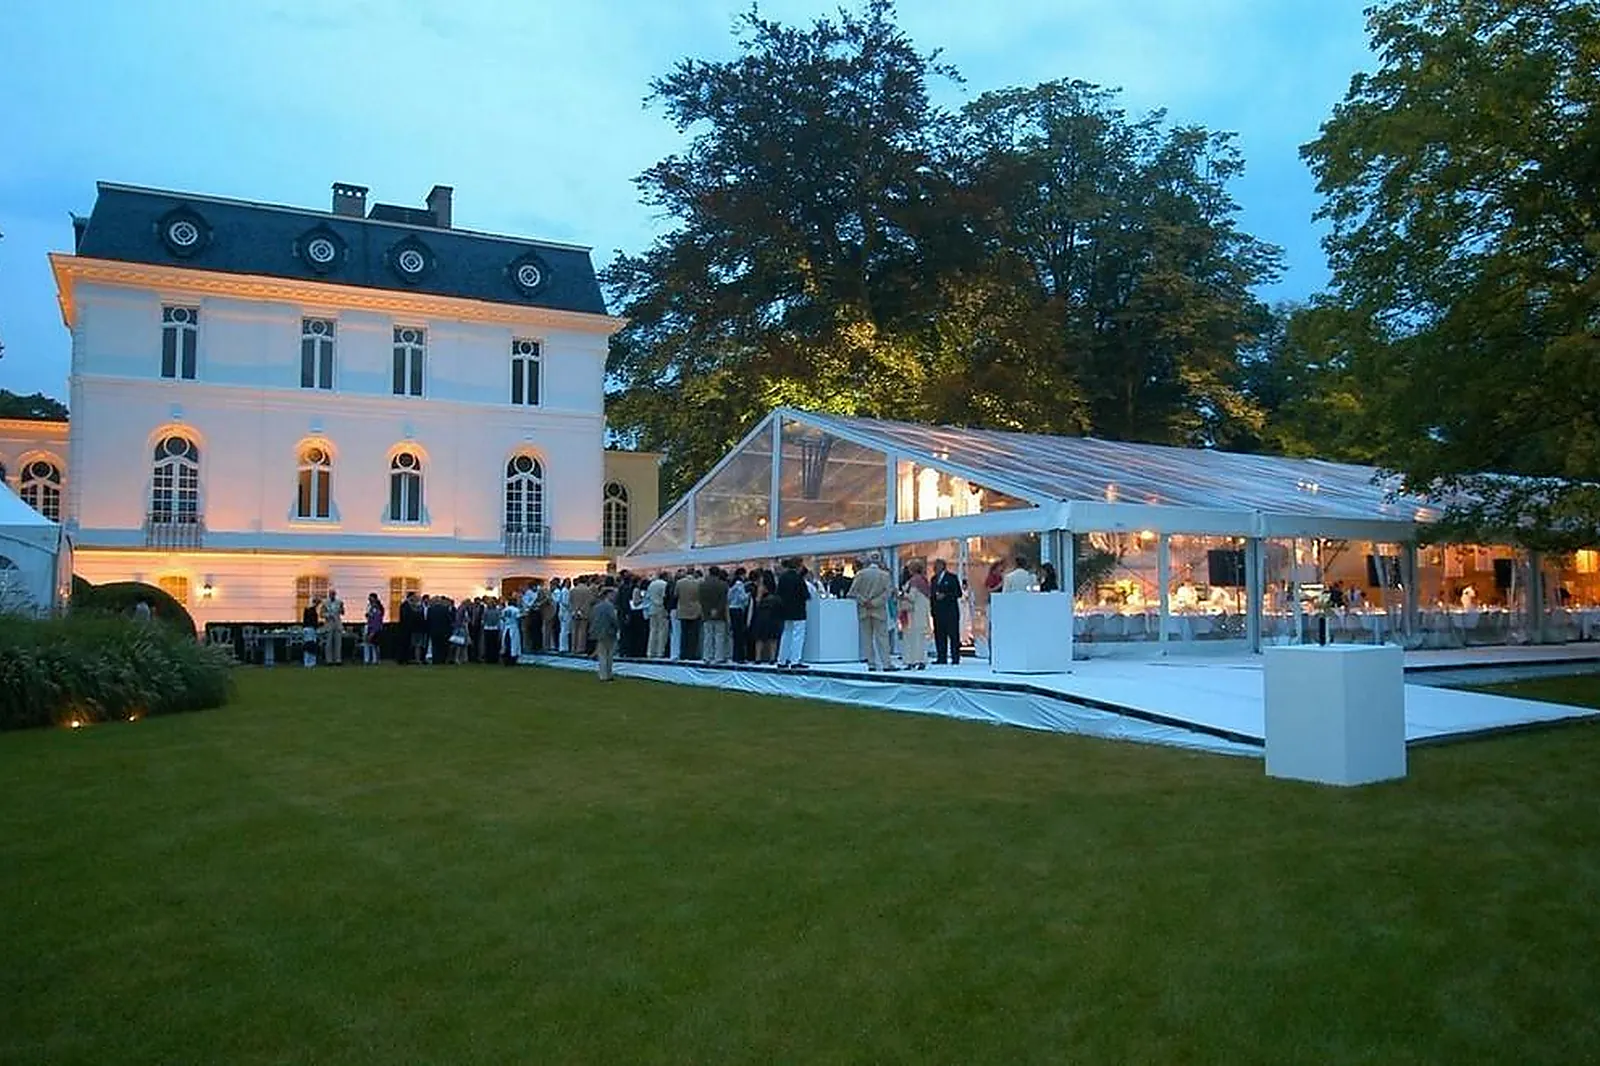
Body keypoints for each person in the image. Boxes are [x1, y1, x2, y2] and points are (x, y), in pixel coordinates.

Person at [847, 553, 894, 671]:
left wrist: (864, 601)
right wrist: (875, 602)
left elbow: (852, 592)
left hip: (863, 610)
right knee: (882, 637)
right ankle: (886, 664)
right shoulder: (885, 575)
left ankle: (871, 663)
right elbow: (887, 593)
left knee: (867, 638)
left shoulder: (860, 574)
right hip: (879, 610)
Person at [775, 557, 811, 669]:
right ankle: (795, 661)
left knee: (786, 634)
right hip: (798, 610)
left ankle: (782, 660)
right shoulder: (798, 578)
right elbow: (805, 595)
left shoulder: (783, 578)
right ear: (799, 566)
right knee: (798, 636)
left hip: (785, 610)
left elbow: (778, 593)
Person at [931, 558, 962, 665]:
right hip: (938, 612)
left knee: (953, 635)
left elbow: (958, 593)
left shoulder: (952, 578)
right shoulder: (934, 579)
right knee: (939, 635)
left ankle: (955, 657)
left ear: (943, 566)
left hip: (950, 612)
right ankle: (941, 657)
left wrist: (945, 595)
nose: (935, 568)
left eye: (937, 565)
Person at [902, 559, 932, 670]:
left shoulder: (914, 581)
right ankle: (922, 660)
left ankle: (913, 661)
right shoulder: (924, 580)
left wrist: (901, 594)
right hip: (921, 613)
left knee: (912, 638)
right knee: (921, 638)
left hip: (913, 614)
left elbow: (912, 597)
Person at [700, 566, 730, 664]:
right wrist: (717, 610)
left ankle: (707, 656)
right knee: (719, 636)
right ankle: (719, 657)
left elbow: (702, 600)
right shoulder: (723, 585)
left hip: (706, 614)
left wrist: (708, 610)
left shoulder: (702, 585)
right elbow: (724, 600)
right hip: (720, 614)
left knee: (708, 636)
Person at [590, 586, 620, 681]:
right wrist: (618, 627)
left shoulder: (596, 606)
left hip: (599, 633)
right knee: (609, 655)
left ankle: (603, 675)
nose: (614, 596)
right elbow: (613, 619)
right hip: (609, 632)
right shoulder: (610, 606)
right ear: (608, 595)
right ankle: (607, 674)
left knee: (602, 654)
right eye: (612, 594)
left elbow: (593, 619)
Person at [675, 569, 703, 661]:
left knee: (684, 634)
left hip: (683, 610)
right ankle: (693, 654)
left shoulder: (679, 583)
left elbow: (676, 595)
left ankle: (683, 654)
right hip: (695, 611)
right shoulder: (698, 583)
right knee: (694, 634)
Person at [728, 567, 751, 663]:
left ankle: (735, 656)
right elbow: (742, 598)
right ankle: (740, 657)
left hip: (731, 609)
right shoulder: (740, 584)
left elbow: (728, 597)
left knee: (735, 634)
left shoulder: (732, 585)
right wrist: (748, 594)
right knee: (740, 634)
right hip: (738, 610)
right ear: (742, 574)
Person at [568, 577, 595, 655]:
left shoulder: (573, 590)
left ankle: (573, 648)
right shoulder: (588, 590)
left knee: (574, 631)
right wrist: (581, 609)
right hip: (584, 613)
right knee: (582, 631)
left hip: (574, 612)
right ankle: (580, 648)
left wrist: (574, 610)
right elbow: (591, 601)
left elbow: (570, 601)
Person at [646, 571, 670, 657]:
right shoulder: (664, 584)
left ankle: (650, 651)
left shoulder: (652, 584)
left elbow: (647, 596)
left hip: (652, 608)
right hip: (661, 608)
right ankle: (660, 652)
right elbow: (665, 597)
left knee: (652, 630)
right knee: (662, 631)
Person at [426, 595, 453, 666]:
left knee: (435, 646)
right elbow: (449, 621)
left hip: (434, 630)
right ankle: (442, 660)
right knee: (443, 646)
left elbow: (428, 621)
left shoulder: (430, 609)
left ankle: (435, 660)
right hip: (444, 631)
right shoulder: (445, 609)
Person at [321, 588, 345, 666]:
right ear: (329, 594)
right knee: (328, 643)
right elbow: (321, 614)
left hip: (337, 624)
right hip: (329, 624)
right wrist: (328, 615)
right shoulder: (325, 603)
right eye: (331, 594)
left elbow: (342, 613)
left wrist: (342, 608)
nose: (332, 595)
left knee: (338, 643)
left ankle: (338, 660)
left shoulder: (339, 602)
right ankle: (329, 660)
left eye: (333, 594)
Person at [363, 592, 384, 665]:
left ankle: (375, 660)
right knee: (367, 643)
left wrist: (373, 631)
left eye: (370, 597)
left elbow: (377, 620)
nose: (369, 599)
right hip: (369, 625)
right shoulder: (369, 606)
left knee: (375, 644)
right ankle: (367, 659)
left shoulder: (377, 608)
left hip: (375, 627)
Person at [501, 596, 522, 664]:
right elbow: (518, 618)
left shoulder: (505, 609)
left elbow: (502, 618)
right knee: (514, 644)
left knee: (506, 643)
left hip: (506, 627)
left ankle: (506, 658)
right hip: (513, 627)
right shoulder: (516, 610)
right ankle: (512, 659)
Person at [301, 597, 320, 668]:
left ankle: (309, 662)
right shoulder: (310, 610)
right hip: (310, 629)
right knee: (310, 645)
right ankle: (309, 662)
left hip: (309, 629)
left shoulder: (308, 609)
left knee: (309, 645)